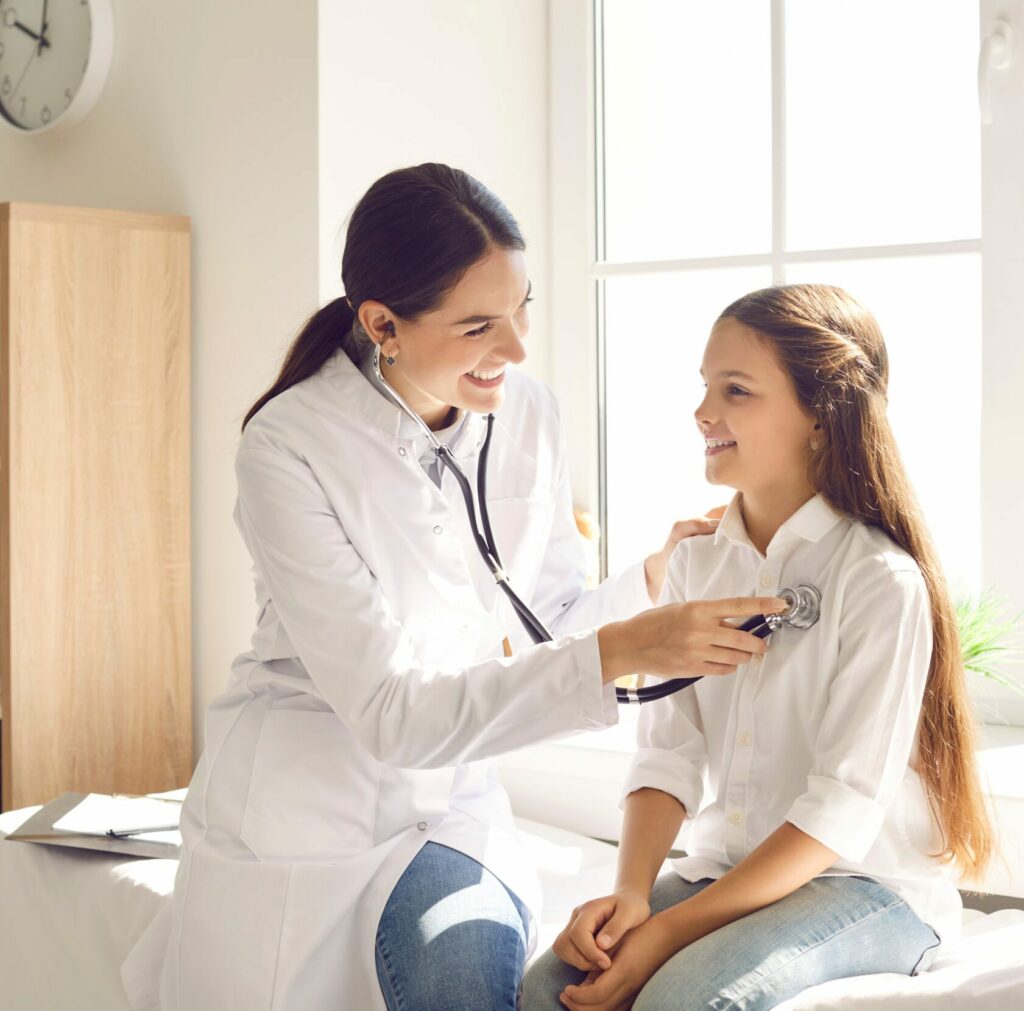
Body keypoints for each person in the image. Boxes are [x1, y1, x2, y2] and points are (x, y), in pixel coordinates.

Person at [120, 163, 783, 1011]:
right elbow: (391, 711)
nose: (515, 348)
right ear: (382, 323)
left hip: (450, 810)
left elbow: (545, 623)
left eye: (522, 309)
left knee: (465, 983)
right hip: (304, 815)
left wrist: (647, 584)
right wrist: (626, 649)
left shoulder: (527, 411)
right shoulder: (288, 447)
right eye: (478, 326)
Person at [521, 283, 993, 1011]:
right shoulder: (698, 562)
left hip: (864, 884)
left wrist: (670, 933)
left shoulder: (878, 580)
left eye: (736, 390)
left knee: (681, 997)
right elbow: (668, 754)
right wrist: (631, 896)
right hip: (726, 872)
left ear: (820, 416)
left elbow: (838, 812)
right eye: (706, 386)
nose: (703, 411)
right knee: (552, 986)